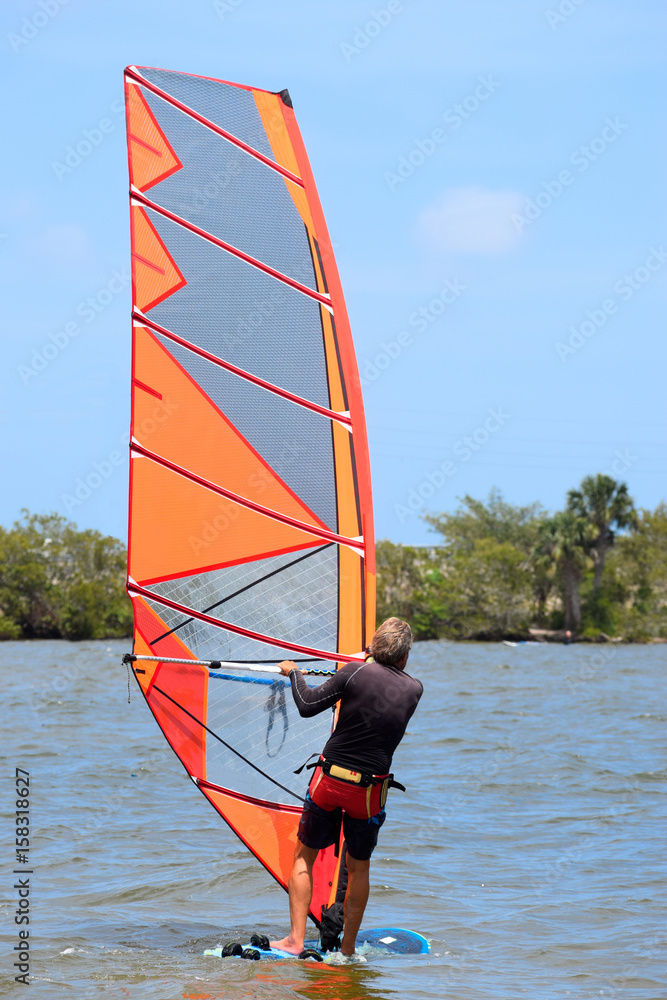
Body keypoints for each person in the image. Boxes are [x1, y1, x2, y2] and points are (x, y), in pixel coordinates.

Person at [270, 617, 422, 958]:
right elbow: (380, 682)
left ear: (373, 646)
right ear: (404, 656)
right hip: (369, 793)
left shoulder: (352, 672)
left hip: (331, 780)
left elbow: (307, 705)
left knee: (304, 856)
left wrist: (294, 673)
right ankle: (348, 949)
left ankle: (295, 940)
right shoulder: (414, 689)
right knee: (359, 867)